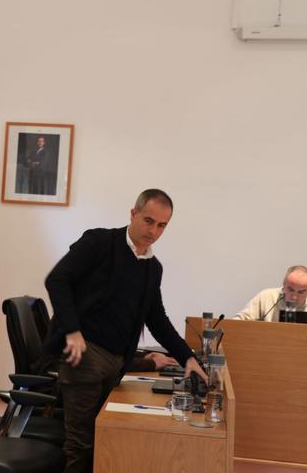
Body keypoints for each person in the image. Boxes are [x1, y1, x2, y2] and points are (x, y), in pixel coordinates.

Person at [43, 188, 207, 473]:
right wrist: (72, 331)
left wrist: (188, 358)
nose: (153, 231)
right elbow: (57, 280)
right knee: (81, 443)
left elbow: (157, 318)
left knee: (105, 438)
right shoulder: (98, 242)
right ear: (133, 213)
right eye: (148, 220)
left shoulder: (152, 267)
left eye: (162, 226)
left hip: (117, 362)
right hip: (85, 354)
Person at [234, 265, 307, 322]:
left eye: (301, 292)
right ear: (283, 285)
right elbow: (239, 322)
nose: (294, 297)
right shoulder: (266, 296)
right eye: (290, 289)